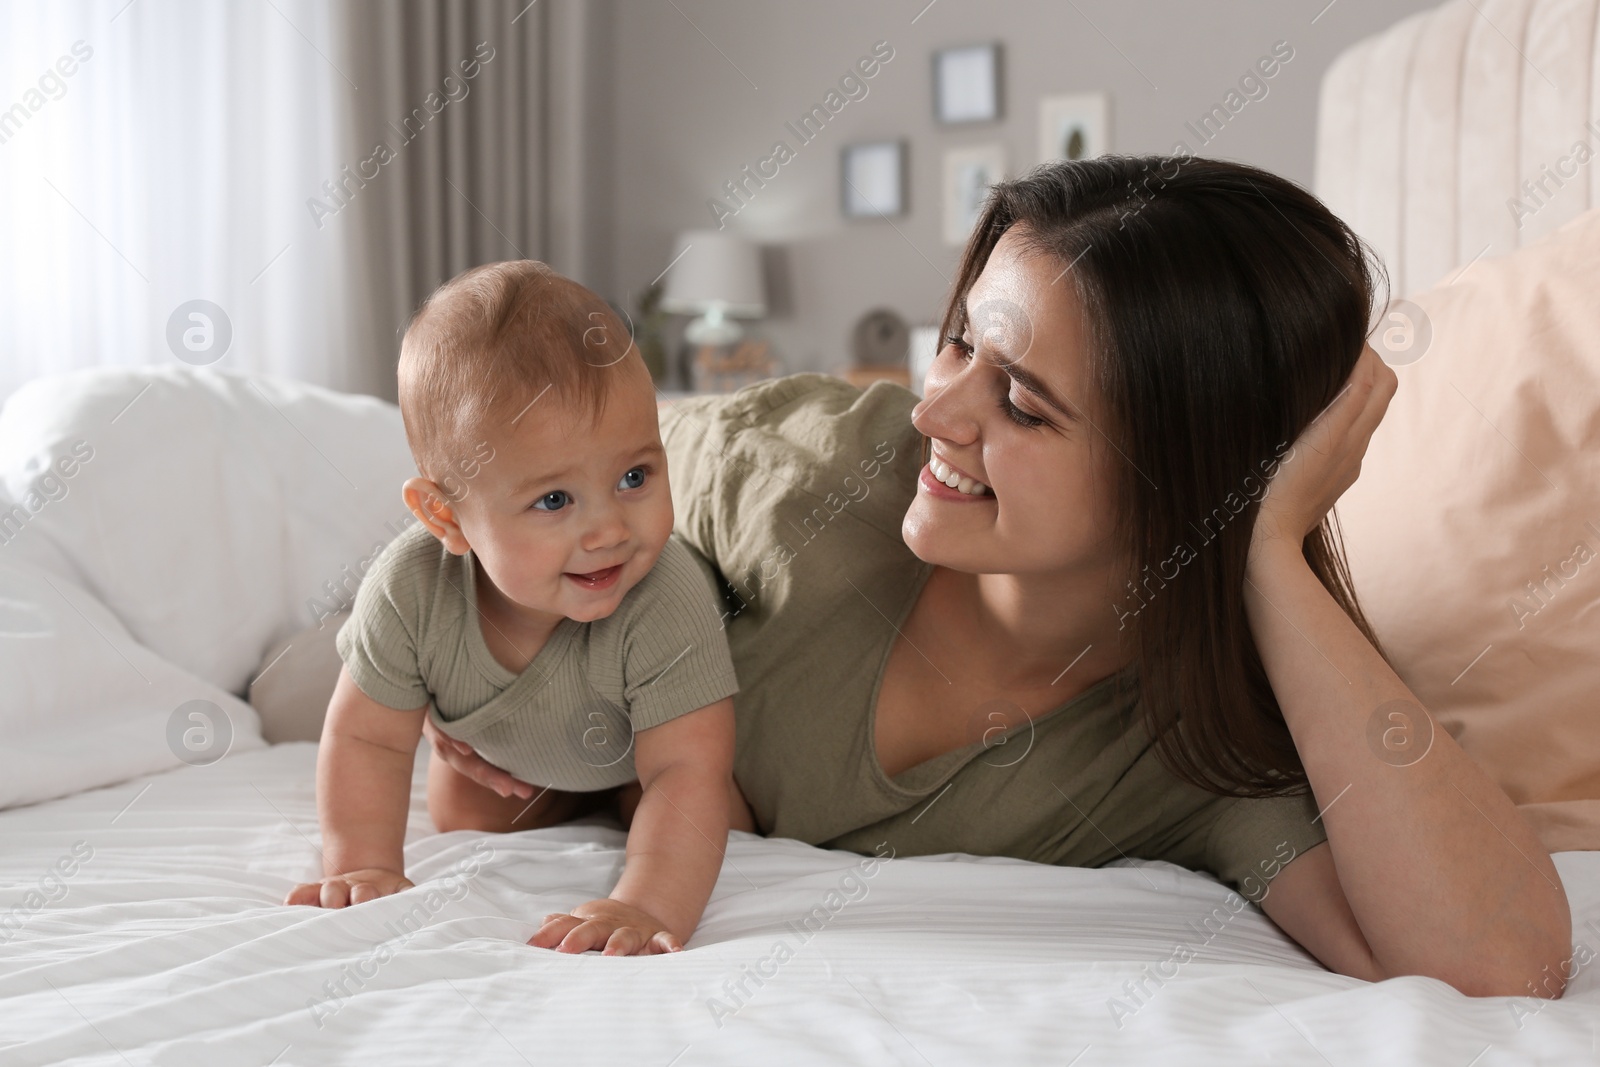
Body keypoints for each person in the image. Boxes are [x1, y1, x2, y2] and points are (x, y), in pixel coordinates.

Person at [426, 158, 1571, 995]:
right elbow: (494, 695)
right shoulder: (791, 476)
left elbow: (1503, 962)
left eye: (1020, 401)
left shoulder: (1193, 750)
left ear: (1187, 473)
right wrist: (533, 747)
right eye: (961, 342)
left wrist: (1265, 552)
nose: (936, 409)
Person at [285, 261, 746, 957]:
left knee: (716, 811)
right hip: (515, 761)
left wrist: (645, 901)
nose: (609, 531)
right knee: (462, 813)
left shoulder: (664, 592)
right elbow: (366, 739)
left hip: (647, 747)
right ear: (447, 516)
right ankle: (576, 800)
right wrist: (361, 860)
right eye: (554, 500)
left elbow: (686, 771)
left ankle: (623, 803)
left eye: (633, 476)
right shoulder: (410, 590)